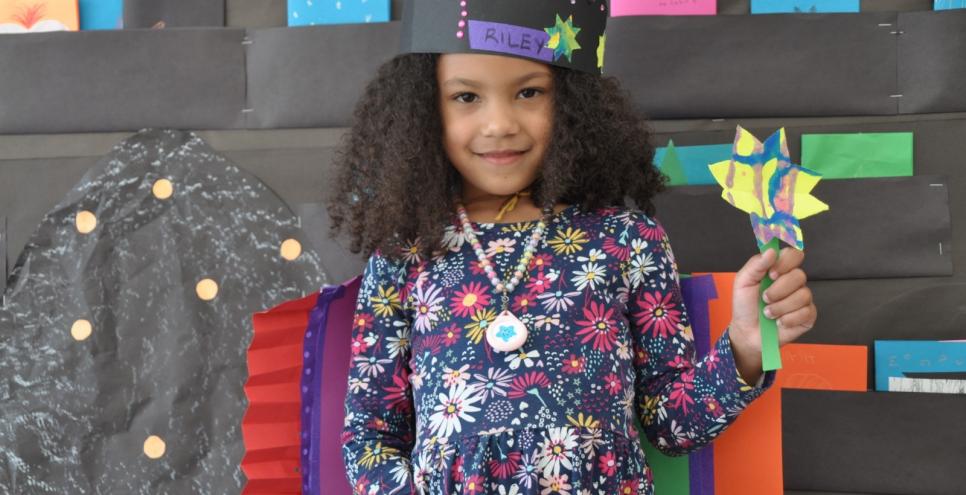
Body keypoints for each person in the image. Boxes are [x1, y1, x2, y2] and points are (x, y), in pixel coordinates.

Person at [330, 1, 816, 493]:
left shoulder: (627, 238)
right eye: (466, 97)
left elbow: (671, 426)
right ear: (421, 109)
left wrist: (747, 349)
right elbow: (371, 437)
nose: (499, 123)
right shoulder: (405, 257)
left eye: (528, 92)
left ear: (573, 103)